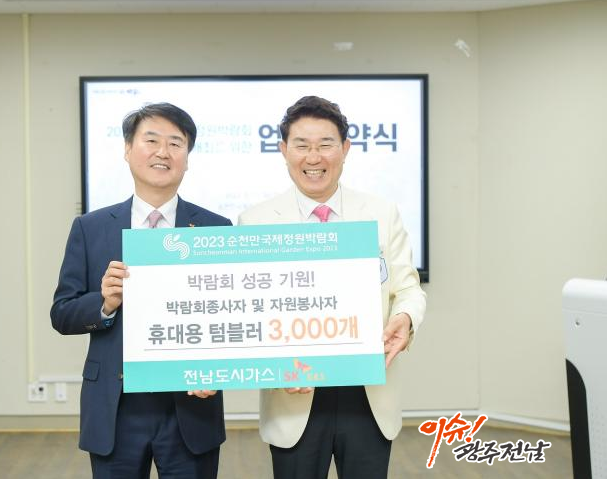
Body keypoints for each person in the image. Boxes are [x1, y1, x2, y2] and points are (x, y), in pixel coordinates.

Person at [238, 96, 426, 479]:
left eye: (325, 144)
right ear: (283, 150)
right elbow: (246, 311)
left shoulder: (381, 213)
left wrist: (405, 318)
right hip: (295, 396)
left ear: (345, 148)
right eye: (301, 145)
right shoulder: (255, 222)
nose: (314, 157)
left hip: (368, 394)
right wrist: (274, 366)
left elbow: (408, 289)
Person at [51, 102, 229, 479]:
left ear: (187, 158)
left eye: (175, 143)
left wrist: (217, 369)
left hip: (190, 409)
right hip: (115, 409)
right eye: (151, 140)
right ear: (128, 149)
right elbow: (62, 314)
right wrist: (105, 303)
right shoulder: (91, 227)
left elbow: (230, 315)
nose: (163, 152)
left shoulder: (216, 228)